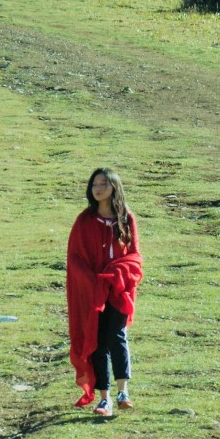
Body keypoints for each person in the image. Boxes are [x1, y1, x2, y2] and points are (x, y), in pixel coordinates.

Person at [65, 167, 143, 417]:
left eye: (103, 184)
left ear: (114, 188)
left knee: (116, 336)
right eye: (94, 184)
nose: (97, 188)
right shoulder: (84, 220)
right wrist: (91, 280)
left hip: (118, 289)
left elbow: (134, 256)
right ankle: (104, 398)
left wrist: (117, 274)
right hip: (92, 292)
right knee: (96, 341)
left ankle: (123, 392)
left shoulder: (126, 218)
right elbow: (74, 257)